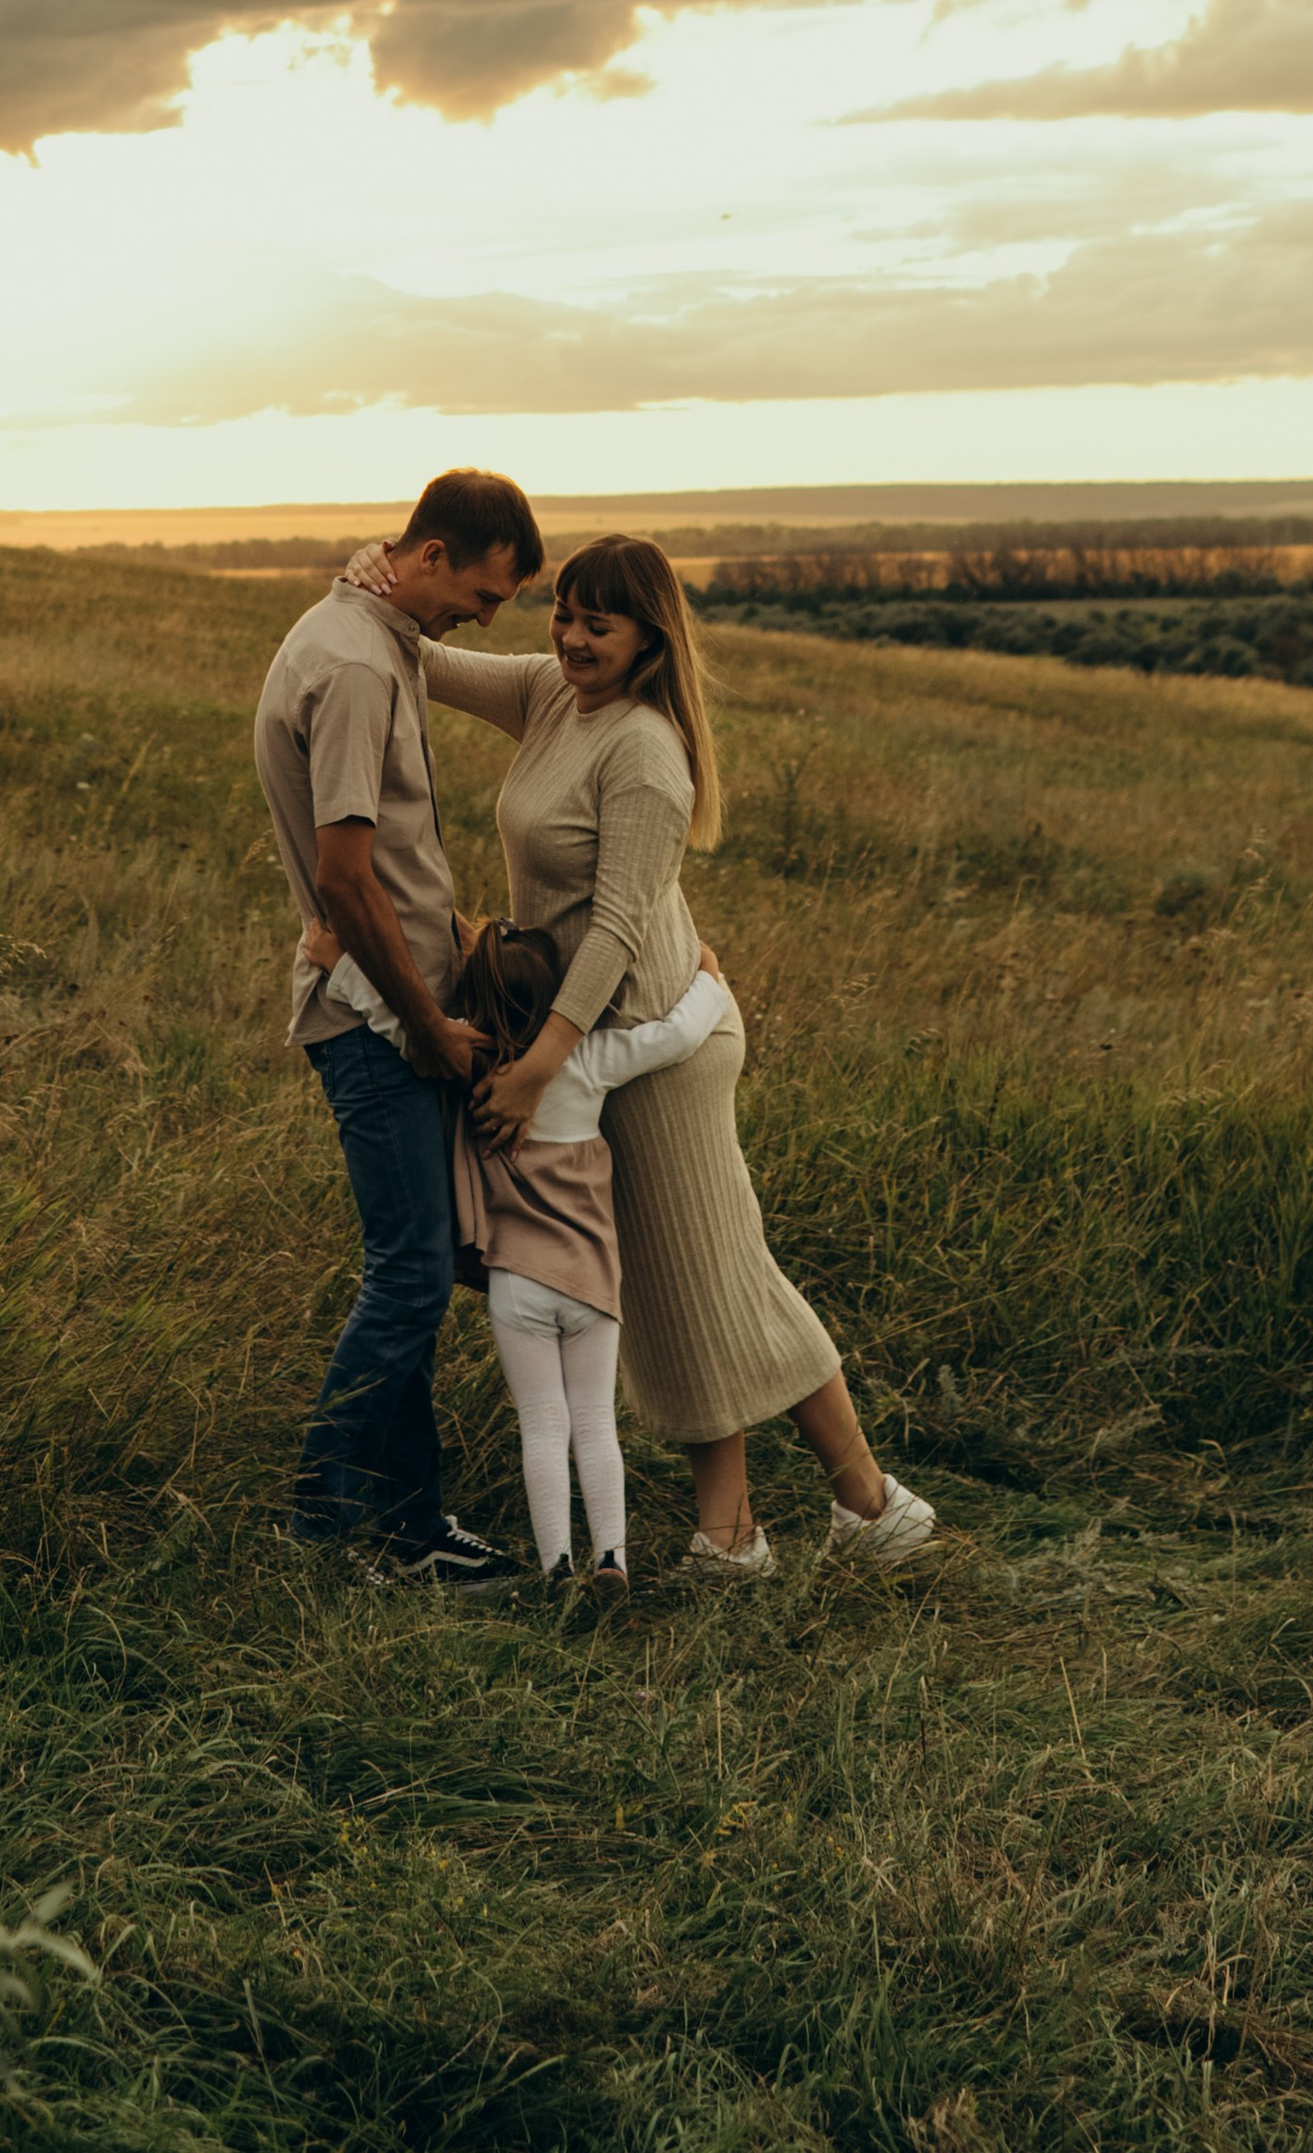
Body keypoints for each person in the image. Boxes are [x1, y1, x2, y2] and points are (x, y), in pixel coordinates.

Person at [353, 529, 934, 1579]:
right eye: (563, 613)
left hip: (651, 1041)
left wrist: (542, 1066)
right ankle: (833, 1510)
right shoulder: (550, 695)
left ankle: (788, 1521)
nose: (571, 638)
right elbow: (418, 655)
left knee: (700, 1276)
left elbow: (618, 931)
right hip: (593, 1038)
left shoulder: (645, 753)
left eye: (599, 624)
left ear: (649, 641)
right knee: (691, 1278)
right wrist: (373, 578)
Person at [252, 465, 543, 1586]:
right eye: (485, 593)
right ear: (430, 557)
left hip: (397, 1010)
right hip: (376, 1021)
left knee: (417, 1271)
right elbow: (344, 876)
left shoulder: (375, 635)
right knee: (410, 1278)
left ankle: (411, 1526)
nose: (486, 617)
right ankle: (325, 1527)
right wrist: (426, 1027)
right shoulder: (356, 664)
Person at [306, 907, 733, 1598]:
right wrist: (710, 979)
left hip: (516, 1283)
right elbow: (675, 1036)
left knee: (541, 1426)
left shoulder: (471, 1066)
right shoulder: (588, 1059)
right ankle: (612, 1560)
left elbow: (397, 1026)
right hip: (590, 1279)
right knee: (594, 1423)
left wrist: (340, 967)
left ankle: (555, 1568)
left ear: (473, 998)